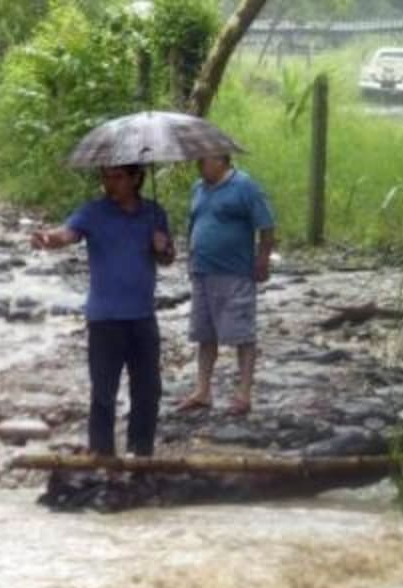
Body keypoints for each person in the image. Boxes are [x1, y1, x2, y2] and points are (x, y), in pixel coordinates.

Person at [31, 164, 176, 457]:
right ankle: (101, 454)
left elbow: (168, 259)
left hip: (143, 315)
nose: (110, 183)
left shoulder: (153, 212)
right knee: (103, 392)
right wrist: (49, 239)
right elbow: (68, 234)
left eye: (117, 177)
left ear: (136, 179)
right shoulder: (93, 212)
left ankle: (141, 452)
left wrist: (163, 247)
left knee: (148, 390)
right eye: (106, 177)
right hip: (105, 318)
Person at [177, 155, 276, 417]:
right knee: (204, 334)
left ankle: (243, 394)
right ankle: (203, 390)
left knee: (242, 333)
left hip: (235, 273)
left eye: (204, 158)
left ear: (221, 159)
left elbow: (266, 225)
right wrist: (190, 258)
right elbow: (194, 224)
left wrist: (263, 260)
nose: (199, 162)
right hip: (202, 271)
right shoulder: (198, 188)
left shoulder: (245, 186)